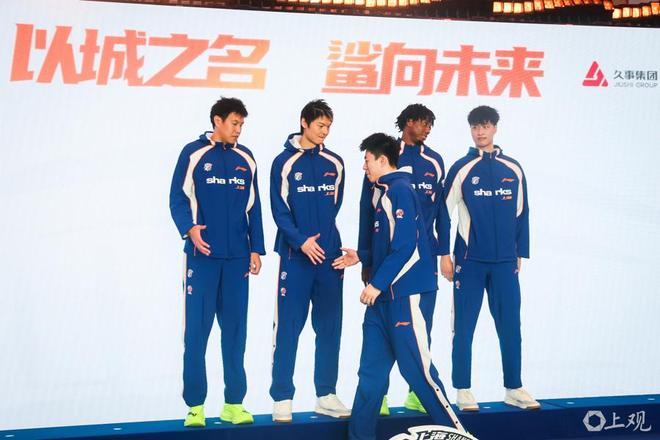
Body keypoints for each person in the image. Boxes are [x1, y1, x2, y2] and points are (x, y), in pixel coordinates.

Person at [334, 133, 466, 440]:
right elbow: (390, 245)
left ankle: (459, 435)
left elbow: (409, 248)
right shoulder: (382, 192)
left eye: (367, 160)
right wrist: (362, 256)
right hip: (382, 303)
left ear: (382, 160)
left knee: (419, 374)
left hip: (404, 297)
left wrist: (376, 284)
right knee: (370, 378)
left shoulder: (401, 191)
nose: (364, 166)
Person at [169, 97, 265, 427]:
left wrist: (256, 249)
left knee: (236, 333)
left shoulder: (246, 158)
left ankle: (234, 403)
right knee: (196, 333)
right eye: (234, 123)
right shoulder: (193, 153)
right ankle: (195, 406)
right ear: (217, 121)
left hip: (237, 258)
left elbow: (254, 207)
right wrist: (189, 229)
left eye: (242, 125)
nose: (238, 130)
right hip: (203, 257)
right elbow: (177, 197)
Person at [440, 105, 539, 411]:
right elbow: (442, 213)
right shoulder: (462, 168)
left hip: (505, 263)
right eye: (475, 127)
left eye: (485, 126)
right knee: (463, 327)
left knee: (510, 326)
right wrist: (444, 255)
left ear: (495, 127)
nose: (480, 132)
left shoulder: (513, 168)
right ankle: (463, 389)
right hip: (469, 261)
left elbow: (522, 213)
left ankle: (514, 387)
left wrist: (519, 252)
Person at [357, 104, 448, 415]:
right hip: (384, 281)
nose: (427, 128)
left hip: (412, 279)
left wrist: (444, 253)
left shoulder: (421, 172)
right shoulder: (381, 175)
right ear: (408, 123)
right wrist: (364, 258)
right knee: (372, 369)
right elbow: (369, 220)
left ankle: (437, 415)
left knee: (419, 358)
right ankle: (370, 416)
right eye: (423, 123)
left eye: (367, 161)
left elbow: (424, 228)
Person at [269, 99, 349, 422]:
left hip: (328, 257)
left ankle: (326, 395)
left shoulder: (335, 162)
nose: (324, 131)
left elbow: (334, 206)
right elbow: (279, 210)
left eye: (328, 126)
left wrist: (324, 243)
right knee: (288, 328)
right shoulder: (284, 162)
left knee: (330, 327)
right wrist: (301, 241)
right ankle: (282, 397)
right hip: (296, 258)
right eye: (320, 125)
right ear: (304, 122)